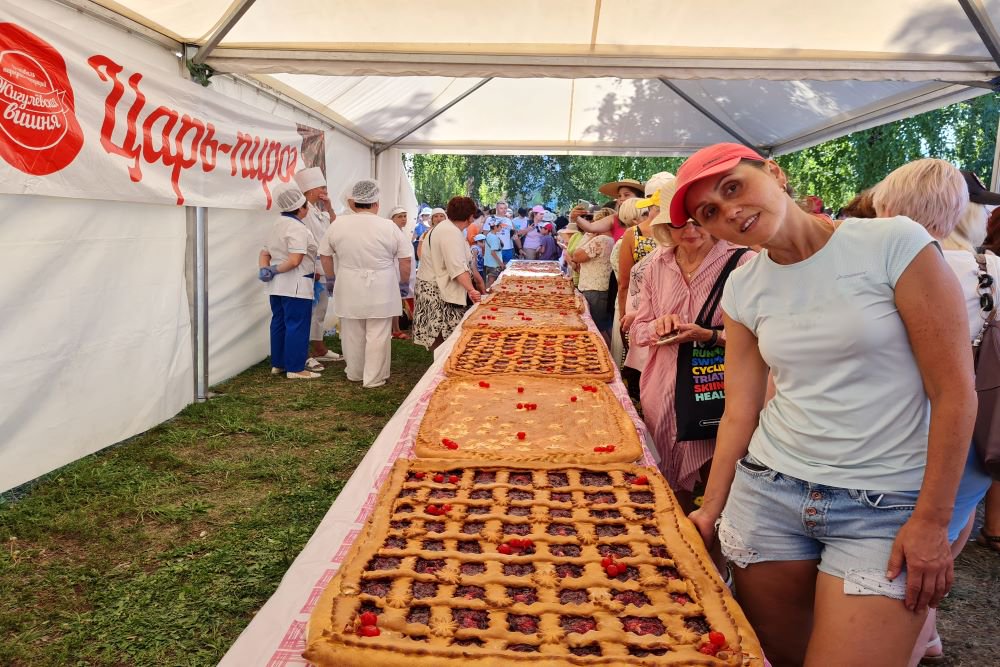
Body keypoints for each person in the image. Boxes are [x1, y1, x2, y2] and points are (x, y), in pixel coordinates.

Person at [673, 144, 974, 667]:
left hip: (884, 507)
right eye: (710, 213)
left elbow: (954, 393)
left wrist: (933, 521)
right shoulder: (744, 284)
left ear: (774, 172)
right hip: (768, 496)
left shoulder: (893, 242)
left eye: (732, 187)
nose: (729, 211)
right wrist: (712, 505)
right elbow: (740, 411)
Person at [871, 159, 995, 664]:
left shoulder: (887, 268)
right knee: (947, 531)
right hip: (978, 434)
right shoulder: (991, 269)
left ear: (891, 210)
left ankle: (908, 641)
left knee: (897, 555)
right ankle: (930, 628)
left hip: (903, 429)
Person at [629, 183, 754, 507]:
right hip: (662, 389)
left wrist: (710, 335)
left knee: (718, 488)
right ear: (665, 226)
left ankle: (708, 546)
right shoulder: (658, 264)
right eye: (678, 222)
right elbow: (638, 328)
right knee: (670, 488)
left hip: (717, 389)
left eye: (697, 219)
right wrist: (657, 326)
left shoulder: (743, 262)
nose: (689, 229)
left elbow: (762, 336)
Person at [318, 179, 412, 389]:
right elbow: (405, 259)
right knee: (378, 333)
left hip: (349, 282)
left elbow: (324, 255)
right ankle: (373, 378)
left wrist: (331, 279)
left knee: (352, 330)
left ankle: (355, 372)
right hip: (383, 284)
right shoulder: (388, 226)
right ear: (376, 202)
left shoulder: (339, 224)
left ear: (353, 203)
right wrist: (404, 284)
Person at [258, 185, 322, 380]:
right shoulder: (297, 228)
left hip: (276, 286)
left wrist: (265, 269)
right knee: (297, 324)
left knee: (279, 323)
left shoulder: (276, 223)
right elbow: (295, 260)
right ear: (301, 208)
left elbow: (264, 252)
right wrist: (274, 269)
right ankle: (295, 368)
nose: (308, 209)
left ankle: (279, 364)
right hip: (295, 284)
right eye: (307, 206)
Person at [412, 196, 483, 350]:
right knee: (444, 338)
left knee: (441, 339)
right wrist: (471, 290)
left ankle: (442, 364)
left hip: (432, 287)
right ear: (470, 217)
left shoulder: (446, 228)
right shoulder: (450, 232)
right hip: (438, 292)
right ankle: (442, 368)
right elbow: (456, 267)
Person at [294, 167, 344, 363]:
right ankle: (305, 351)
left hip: (322, 265)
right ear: (312, 189)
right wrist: (313, 268)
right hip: (311, 267)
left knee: (321, 308)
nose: (325, 190)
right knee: (310, 310)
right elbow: (306, 241)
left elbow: (334, 228)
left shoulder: (318, 209)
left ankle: (318, 347)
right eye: (322, 187)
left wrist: (330, 207)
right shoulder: (303, 211)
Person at [571, 208, 616, 343]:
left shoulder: (601, 239)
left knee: (596, 328)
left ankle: (606, 356)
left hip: (594, 290)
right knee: (603, 327)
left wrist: (588, 236)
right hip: (601, 289)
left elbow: (577, 256)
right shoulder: (611, 239)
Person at [388, 205, 416, 340]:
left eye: (405, 216)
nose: (403, 219)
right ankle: (395, 329)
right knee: (395, 301)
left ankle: (397, 328)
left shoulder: (402, 233)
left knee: (399, 301)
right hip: (396, 273)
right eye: (400, 216)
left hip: (405, 273)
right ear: (392, 219)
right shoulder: (391, 234)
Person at [482, 220, 505, 287]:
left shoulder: (489, 234)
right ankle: (486, 294)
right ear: (495, 227)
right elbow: (493, 253)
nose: (501, 227)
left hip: (489, 262)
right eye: (500, 226)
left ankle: (486, 293)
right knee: (492, 281)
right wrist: (501, 264)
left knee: (490, 280)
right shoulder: (494, 237)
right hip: (494, 264)